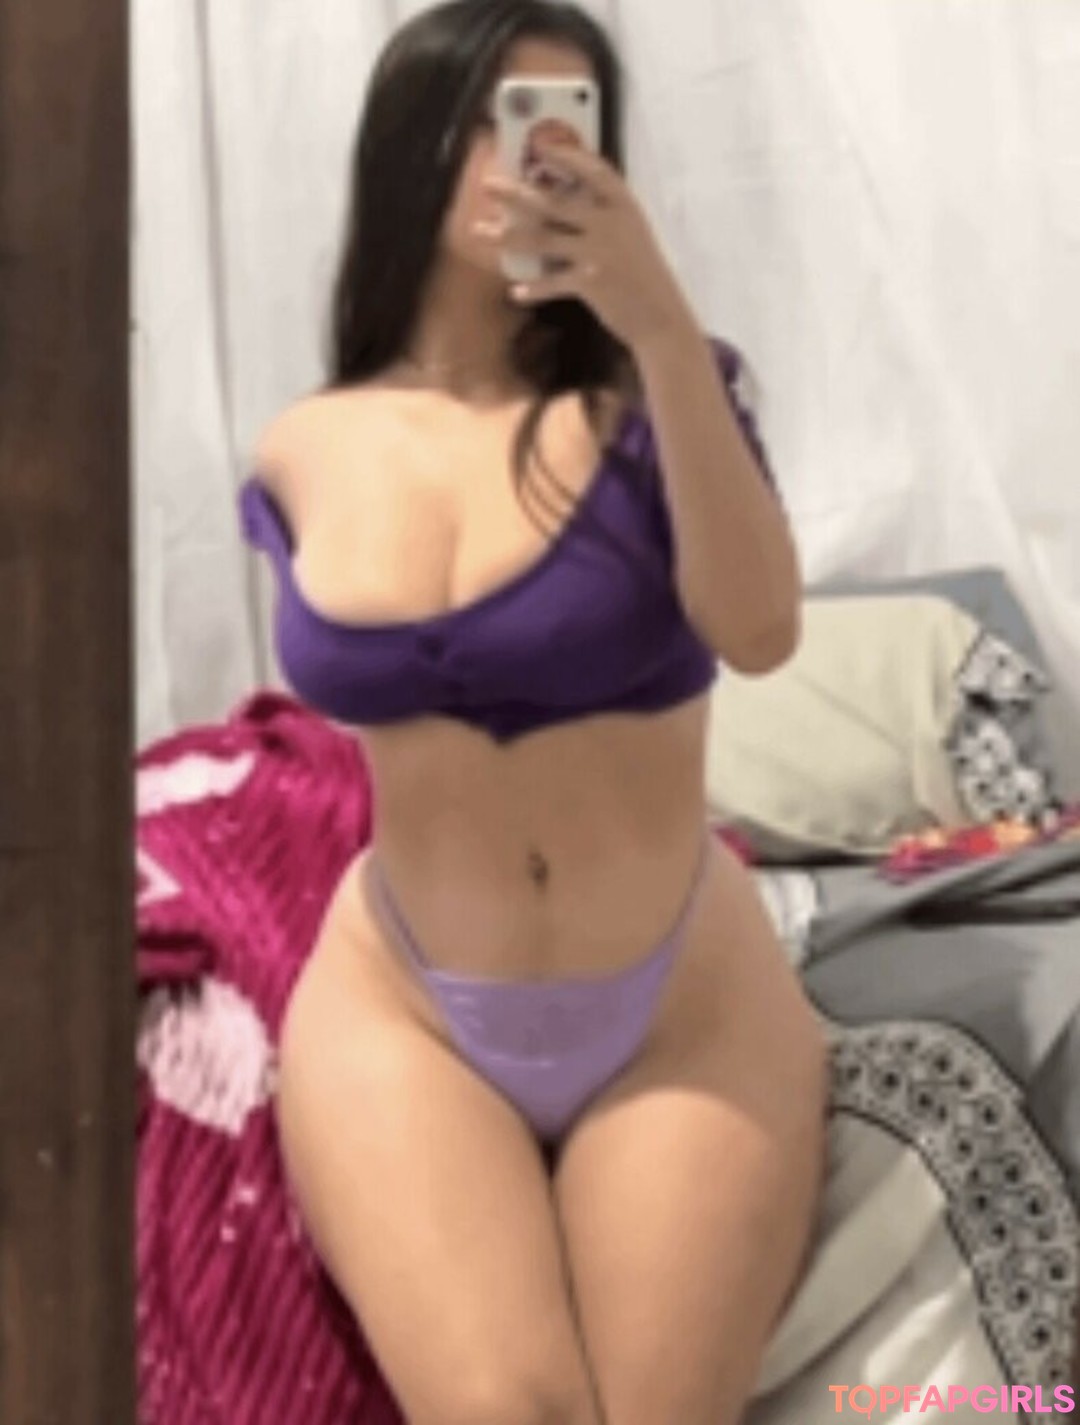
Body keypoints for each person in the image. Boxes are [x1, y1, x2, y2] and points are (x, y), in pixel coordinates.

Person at [239, 2, 828, 1421]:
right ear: (416, 146)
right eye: (500, 125)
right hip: (404, 1000)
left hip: (678, 999)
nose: (532, 163)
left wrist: (662, 328)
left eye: (566, 130)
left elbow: (759, 631)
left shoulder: (661, 399)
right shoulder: (306, 444)